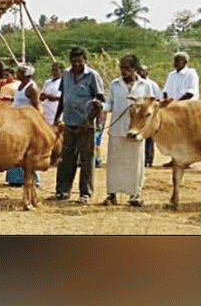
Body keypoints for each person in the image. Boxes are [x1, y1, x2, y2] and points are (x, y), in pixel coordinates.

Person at [101, 54, 156, 207]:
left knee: (135, 163)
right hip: (117, 129)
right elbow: (110, 105)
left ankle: (135, 195)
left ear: (135, 69)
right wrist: (101, 107)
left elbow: (152, 106)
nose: (123, 71)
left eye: (127, 68)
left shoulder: (146, 85)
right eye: (122, 68)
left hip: (136, 131)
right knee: (115, 163)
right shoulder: (114, 84)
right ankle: (112, 194)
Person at [54, 46, 105, 204]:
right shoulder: (66, 75)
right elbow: (63, 97)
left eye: (80, 61)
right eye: (74, 61)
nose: (77, 64)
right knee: (66, 159)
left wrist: (91, 121)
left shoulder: (92, 76)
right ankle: (62, 190)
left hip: (86, 125)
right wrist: (57, 117)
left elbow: (100, 99)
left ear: (85, 61)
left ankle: (85, 193)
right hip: (69, 122)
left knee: (86, 160)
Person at [5, 64, 42, 187]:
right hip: (15, 121)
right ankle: (15, 178)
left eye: (19, 71)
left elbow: (37, 107)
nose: (17, 73)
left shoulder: (32, 88)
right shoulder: (20, 86)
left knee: (27, 152)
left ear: (25, 74)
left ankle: (33, 178)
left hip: (25, 123)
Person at [136, 64, 160, 167]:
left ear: (147, 73)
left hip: (148, 115)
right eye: (139, 71)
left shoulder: (152, 84)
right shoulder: (136, 84)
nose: (141, 73)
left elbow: (158, 98)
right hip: (138, 116)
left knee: (149, 137)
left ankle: (148, 159)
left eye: (143, 71)